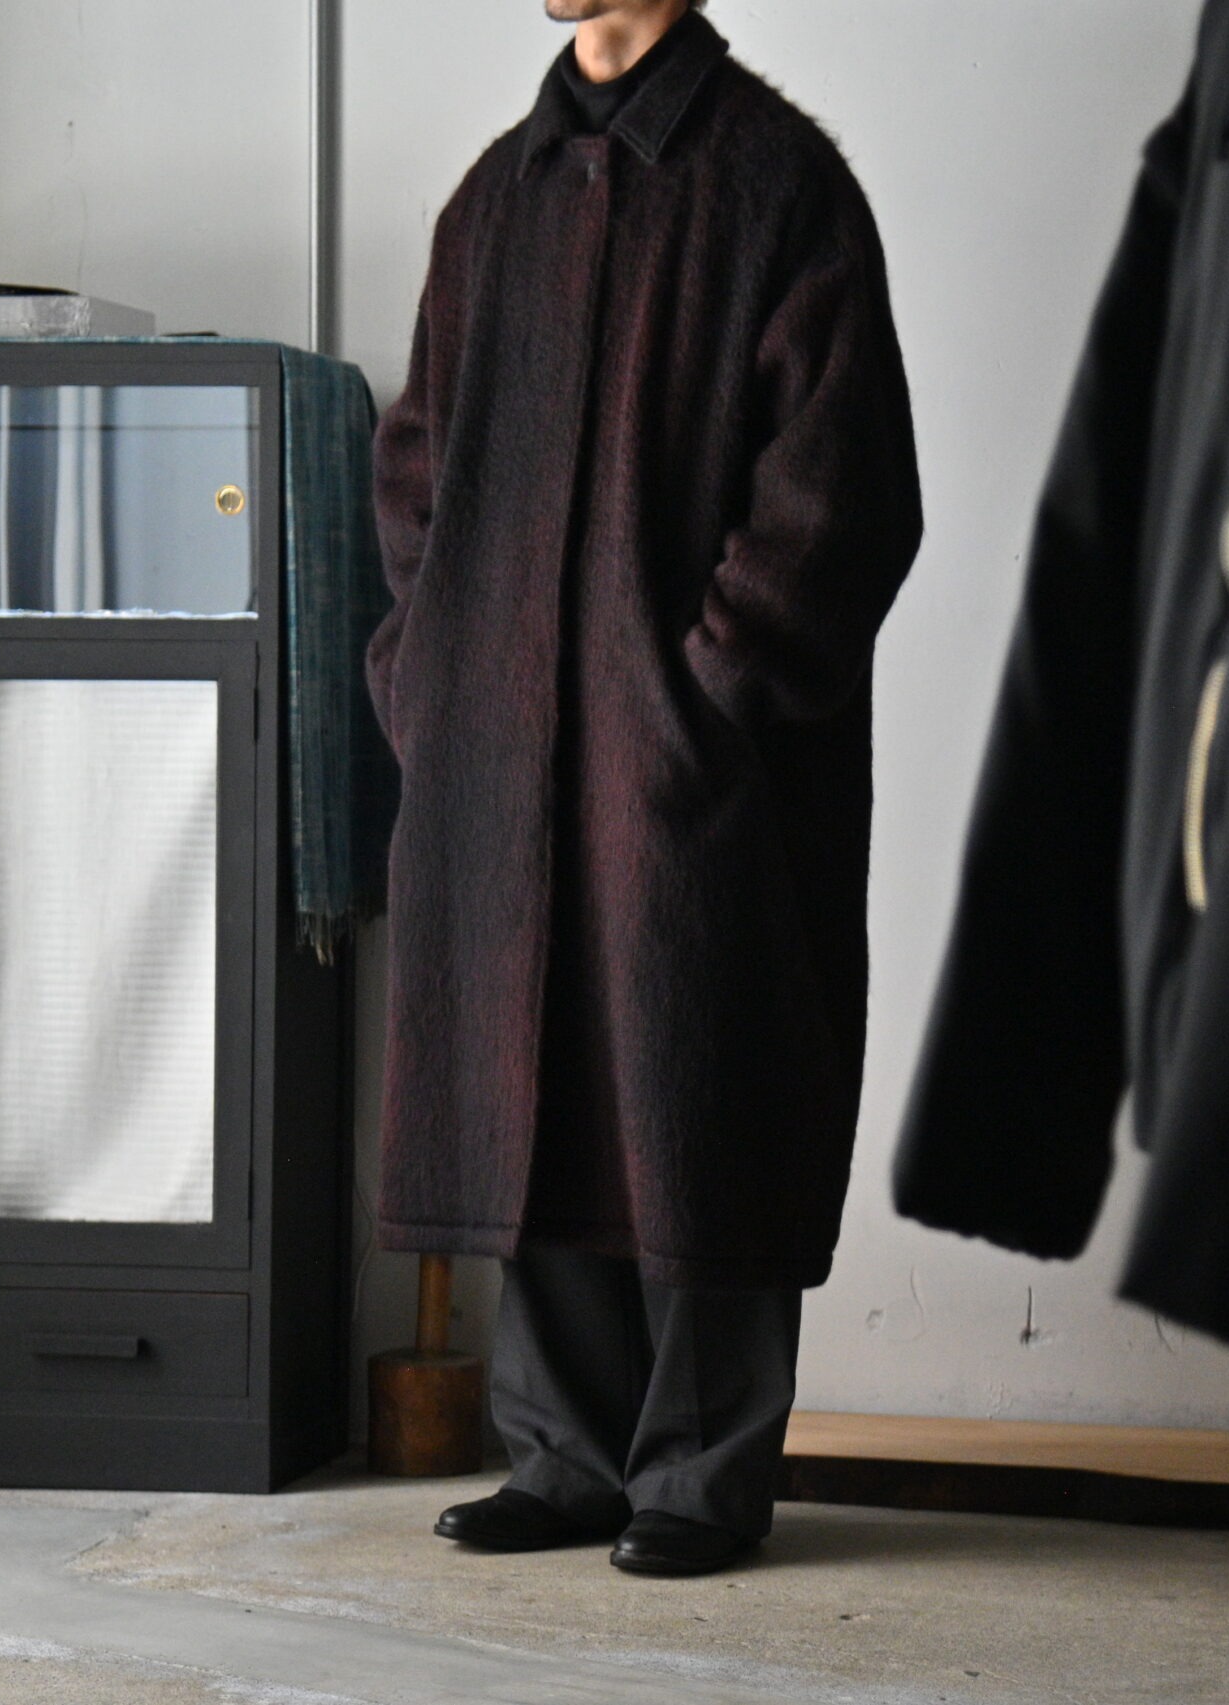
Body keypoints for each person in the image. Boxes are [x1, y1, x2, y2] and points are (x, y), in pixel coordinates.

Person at [365, 0, 922, 1576]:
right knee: (527, 1074)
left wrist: (699, 699)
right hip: (498, 744)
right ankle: (565, 1454)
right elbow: (416, 465)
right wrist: (432, 671)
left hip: (688, 764)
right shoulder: (495, 199)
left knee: (708, 1081)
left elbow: (841, 490)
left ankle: (701, 1471)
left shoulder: (777, 184)